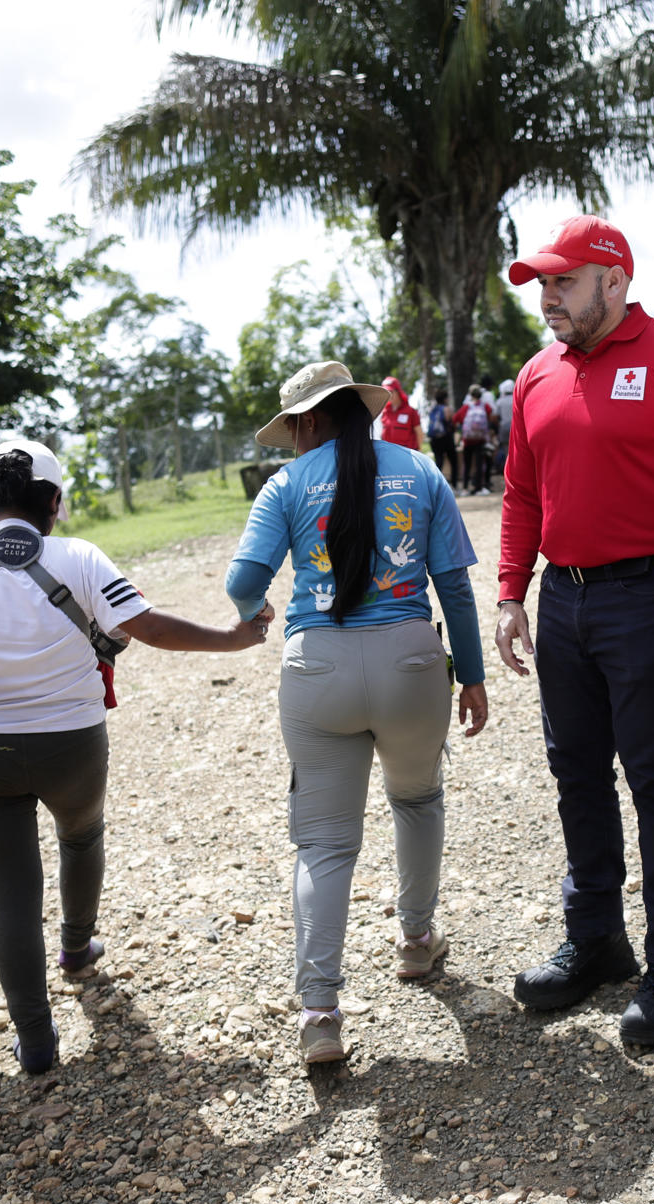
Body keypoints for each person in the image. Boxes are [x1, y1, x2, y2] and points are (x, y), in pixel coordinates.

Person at [0, 440, 269, 1074]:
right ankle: (75, 948)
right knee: (81, 834)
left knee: (12, 892)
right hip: (73, 743)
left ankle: (36, 1041)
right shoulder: (82, 557)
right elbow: (150, 627)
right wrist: (233, 640)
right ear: (54, 503)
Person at [225, 362, 488, 1064]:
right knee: (418, 799)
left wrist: (256, 614)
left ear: (310, 420)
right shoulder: (420, 470)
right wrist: (472, 678)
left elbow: (242, 581)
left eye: (291, 430)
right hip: (410, 662)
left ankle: (318, 1012)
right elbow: (455, 591)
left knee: (324, 843)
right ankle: (416, 940)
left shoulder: (286, 485)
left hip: (318, 668)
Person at [497, 214, 654, 1048]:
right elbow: (521, 491)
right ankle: (595, 939)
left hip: (649, 594)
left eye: (561, 281)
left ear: (614, 281)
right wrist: (514, 590)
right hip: (566, 600)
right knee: (575, 773)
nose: (547, 297)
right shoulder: (536, 373)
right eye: (541, 283)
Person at [456, 385, 494, 494]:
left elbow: (456, 418)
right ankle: (478, 488)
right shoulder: (485, 406)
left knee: (467, 464)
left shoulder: (466, 407)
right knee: (479, 464)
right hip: (480, 439)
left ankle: (464, 488)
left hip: (467, 440)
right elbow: (491, 418)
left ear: (470, 395)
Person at [425, 384, 460, 489]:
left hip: (434, 439)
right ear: (445, 398)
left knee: (438, 462)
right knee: (453, 461)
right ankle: (454, 485)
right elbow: (452, 423)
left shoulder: (432, 409)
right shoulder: (447, 409)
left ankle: (437, 486)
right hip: (446, 438)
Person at [378, 376, 424, 451]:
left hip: (407, 455)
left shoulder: (411, 411)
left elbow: (419, 433)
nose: (389, 395)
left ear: (398, 391)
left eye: (391, 392)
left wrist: (419, 451)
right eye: (386, 392)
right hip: (389, 454)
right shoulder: (384, 412)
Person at [493, 378, 516, 476]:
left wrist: (499, 425)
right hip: (515, 427)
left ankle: (508, 471)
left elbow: (494, 416)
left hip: (503, 427)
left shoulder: (500, 401)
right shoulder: (516, 398)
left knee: (507, 450)